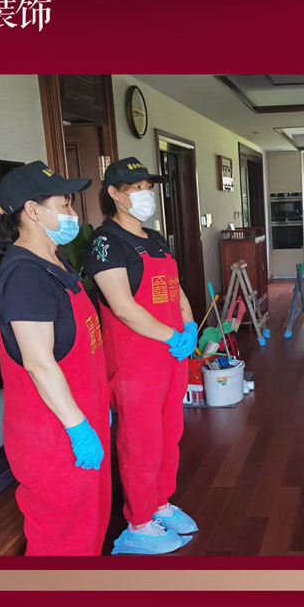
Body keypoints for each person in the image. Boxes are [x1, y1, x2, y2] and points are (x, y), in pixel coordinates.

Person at [0, 161, 111, 556]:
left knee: (88, 530)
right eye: (65, 204)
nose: (73, 213)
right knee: (61, 544)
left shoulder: (54, 262)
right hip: (55, 438)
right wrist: (79, 428)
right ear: (33, 211)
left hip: (81, 418)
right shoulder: (24, 277)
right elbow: (38, 363)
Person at [84, 157, 199, 555]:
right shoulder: (105, 243)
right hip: (136, 363)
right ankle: (139, 521)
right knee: (141, 441)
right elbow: (123, 307)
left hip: (170, 356)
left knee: (170, 434)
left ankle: (160, 503)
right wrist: (172, 335)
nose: (146, 194)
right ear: (115, 194)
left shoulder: (156, 239)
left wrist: (189, 324)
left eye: (148, 186)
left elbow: (176, 289)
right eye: (136, 188)